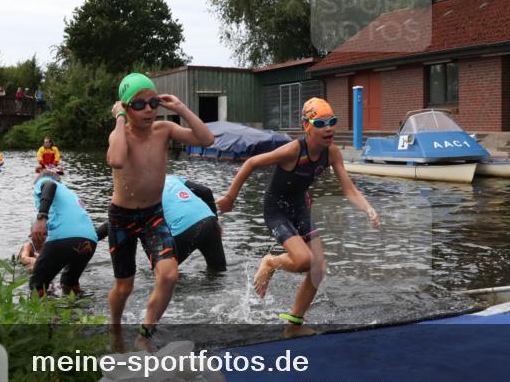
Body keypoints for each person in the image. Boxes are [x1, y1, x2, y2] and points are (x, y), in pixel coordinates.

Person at [217, 98, 380, 337]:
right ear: (307, 126)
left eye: (332, 122)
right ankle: (271, 262)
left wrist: (368, 209)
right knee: (304, 261)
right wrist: (230, 197)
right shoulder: (294, 150)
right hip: (277, 210)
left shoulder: (332, 153)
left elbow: (349, 189)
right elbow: (251, 162)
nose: (329, 128)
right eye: (321, 123)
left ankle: (294, 325)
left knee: (319, 268)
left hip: (300, 208)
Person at [105, 72, 214, 342]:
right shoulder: (120, 135)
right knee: (124, 286)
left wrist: (180, 108)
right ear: (126, 106)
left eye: (153, 102)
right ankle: (115, 329)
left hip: (153, 215)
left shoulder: (164, 130)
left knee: (169, 275)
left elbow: (206, 140)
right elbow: (117, 160)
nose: (149, 110)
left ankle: (145, 335)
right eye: (139, 104)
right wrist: (119, 119)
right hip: (121, 218)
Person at [28, 170, 98, 296]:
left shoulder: (44, 181)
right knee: (69, 283)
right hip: (90, 242)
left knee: (37, 284)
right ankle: (79, 312)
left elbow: (49, 185)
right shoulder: (71, 194)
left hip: (63, 238)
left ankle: (41, 314)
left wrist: (41, 217)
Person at [161, 176, 227, 274]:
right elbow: (206, 191)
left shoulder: (144, 190)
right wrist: (216, 219)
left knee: (161, 273)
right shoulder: (172, 177)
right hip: (209, 221)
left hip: (184, 229)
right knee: (218, 272)